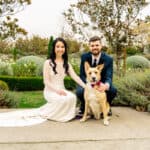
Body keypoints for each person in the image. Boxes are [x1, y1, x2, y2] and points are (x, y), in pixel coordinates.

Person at [0, 37, 85, 127]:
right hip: (50, 90)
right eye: (58, 46)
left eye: (62, 47)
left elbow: (75, 77)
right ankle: (50, 114)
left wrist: (85, 86)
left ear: (65, 49)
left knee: (72, 97)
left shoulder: (66, 64)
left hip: (62, 89)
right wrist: (57, 91)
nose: (60, 49)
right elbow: (46, 82)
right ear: (54, 48)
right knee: (63, 99)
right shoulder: (48, 63)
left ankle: (65, 115)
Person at [76, 36, 117, 116]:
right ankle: (84, 106)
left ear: (101, 46)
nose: (94, 47)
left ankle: (105, 107)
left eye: (97, 45)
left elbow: (109, 76)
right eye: (92, 45)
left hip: (101, 83)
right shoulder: (84, 57)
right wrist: (89, 85)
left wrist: (105, 85)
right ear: (89, 47)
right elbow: (82, 74)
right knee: (80, 91)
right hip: (88, 82)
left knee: (112, 91)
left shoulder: (108, 59)